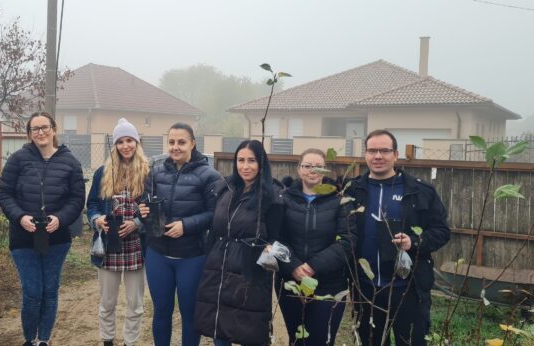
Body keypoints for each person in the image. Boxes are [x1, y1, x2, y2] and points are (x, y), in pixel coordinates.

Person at [347, 130, 450, 346]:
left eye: (384, 150)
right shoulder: (352, 191)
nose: (378, 156)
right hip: (366, 289)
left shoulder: (420, 191)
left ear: (395, 154)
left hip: (408, 289)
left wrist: (414, 242)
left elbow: (442, 232)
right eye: (372, 150)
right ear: (365, 154)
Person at [0, 111, 86, 346]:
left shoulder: (70, 162)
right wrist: (20, 217)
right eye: (35, 129)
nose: (41, 132)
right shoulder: (18, 159)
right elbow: (4, 193)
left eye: (45, 127)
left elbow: (77, 199)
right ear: (29, 134)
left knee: (50, 290)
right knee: (32, 292)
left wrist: (61, 218)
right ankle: (29, 339)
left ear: (54, 129)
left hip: (57, 238)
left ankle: (43, 339)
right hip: (23, 238)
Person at [193, 140, 283, 346]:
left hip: (250, 273)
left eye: (251, 160)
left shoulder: (271, 197)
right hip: (219, 269)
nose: (245, 166)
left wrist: (269, 251)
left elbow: (278, 239)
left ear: (262, 163)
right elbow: (215, 231)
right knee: (220, 328)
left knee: (248, 330)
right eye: (241, 160)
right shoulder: (225, 189)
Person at [139, 122, 221, 346]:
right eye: (172, 142)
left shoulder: (210, 176)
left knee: (190, 313)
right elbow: (145, 204)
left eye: (181, 142)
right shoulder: (155, 172)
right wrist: (143, 211)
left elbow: (216, 215)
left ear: (193, 144)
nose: (176, 147)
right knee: (161, 311)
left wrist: (186, 225)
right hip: (158, 254)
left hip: (192, 256)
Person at [276, 148, 356, 345]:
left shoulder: (340, 201)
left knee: (320, 340)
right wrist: (293, 266)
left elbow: (347, 242)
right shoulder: (283, 199)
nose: (313, 170)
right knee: (296, 339)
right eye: (307, 166)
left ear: (325, 171)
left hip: (329, 284)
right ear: (299, 169)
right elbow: (275, 239)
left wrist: (312, 267)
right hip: (291, 283)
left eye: (318, 166)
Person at [87, 118, 148, 346]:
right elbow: (91, 204)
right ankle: (108, 341)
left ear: (137, 142)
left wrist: (137, 223)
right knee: (107, 302)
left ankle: (129, 342)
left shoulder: (147, 172)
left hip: (136, 247)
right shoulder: (102, 172)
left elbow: (153, 208)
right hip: (108, 246)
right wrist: (97, 219)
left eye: (129, 140)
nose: (125, 146)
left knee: (135, 303)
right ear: (115, 145)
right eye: (120, 141)